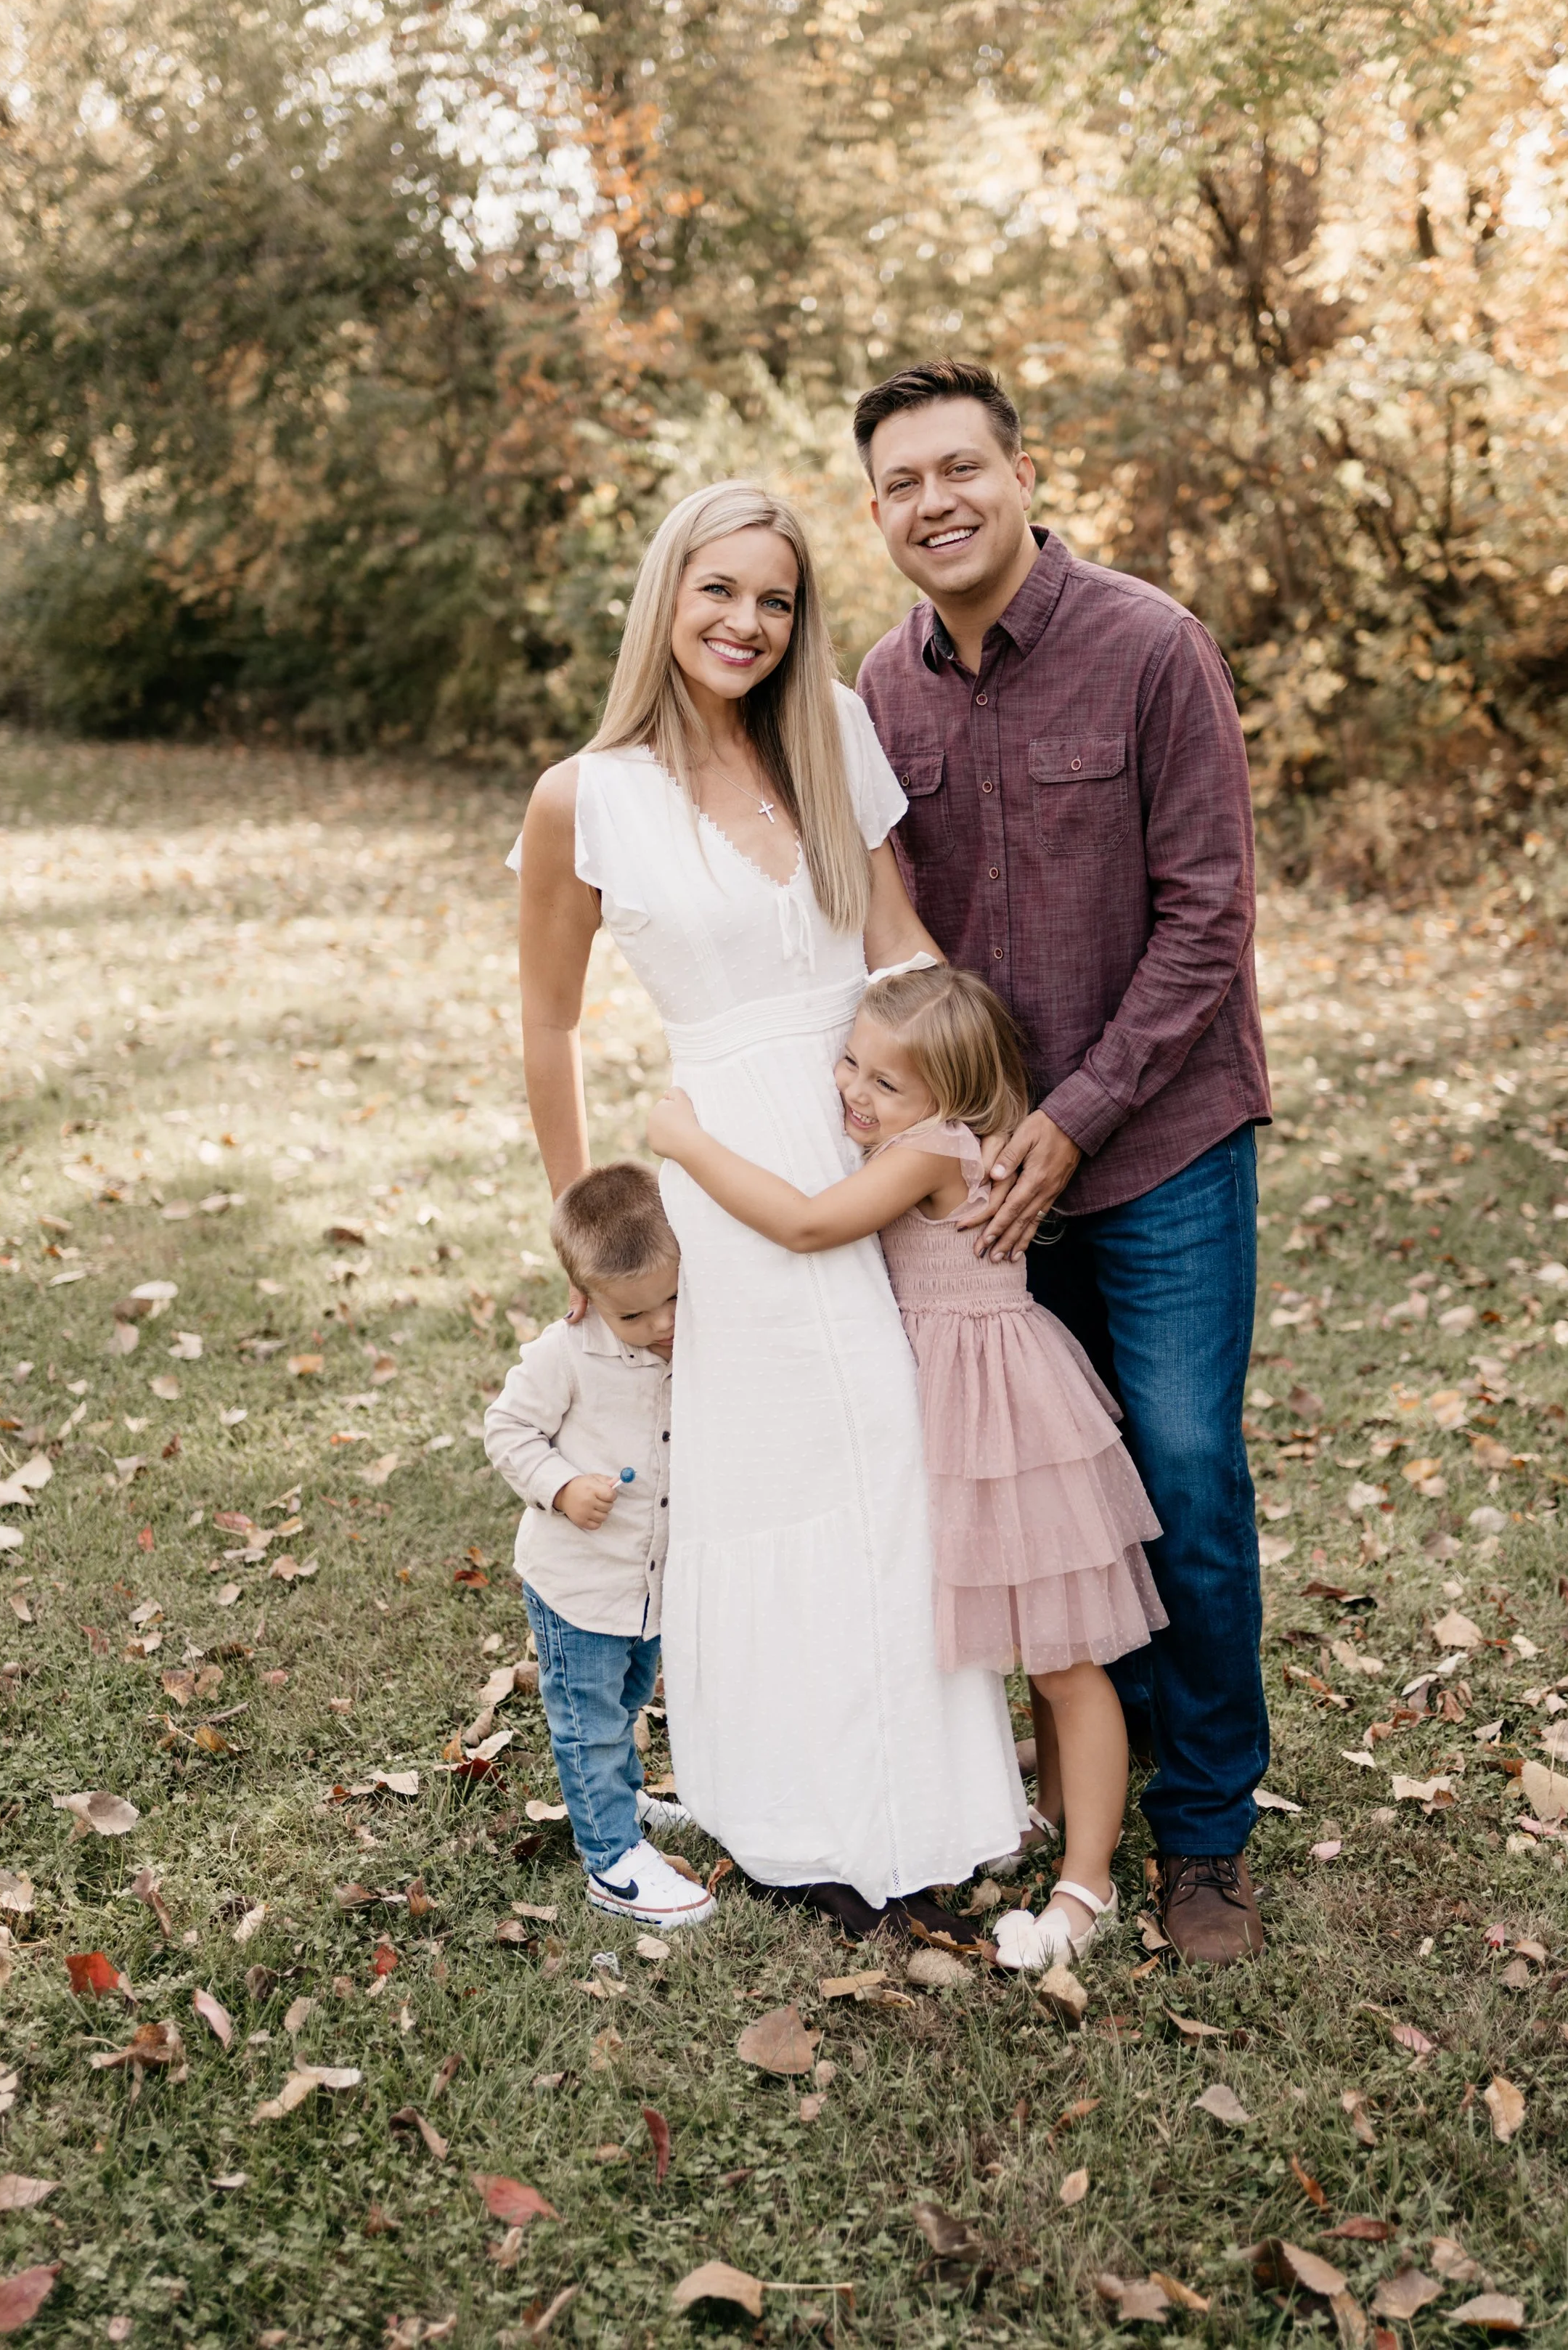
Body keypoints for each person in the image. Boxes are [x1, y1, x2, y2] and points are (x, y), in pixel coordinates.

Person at [510, 478, 1025, 1933]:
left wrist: (959, 1119)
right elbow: (547, 1026)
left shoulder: (828, 742)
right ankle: (794, 1819)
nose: (746, 621)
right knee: (764, 1485)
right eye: (717, 589)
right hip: (723, 1170)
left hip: (862, 1132)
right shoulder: (582, 797)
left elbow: (901, 948)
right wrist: (582, 1225)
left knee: (891, 1464)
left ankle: (917, 1809)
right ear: (665, 596)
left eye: (776, 598)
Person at [854, 359, 1274, 1965]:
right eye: (901, 483)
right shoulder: (879, 698)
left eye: (960, 467)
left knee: (1175, 1477)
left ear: (1023, 473)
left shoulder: (1150, 648)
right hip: (978, 1196)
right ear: (877, 511)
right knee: (1046, 1501)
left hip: (1155, 1142)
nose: (934, 503)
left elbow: (1205, 925)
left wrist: (1075, 1114)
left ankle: (1207, 1833)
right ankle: (1073, 1776)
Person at [648, 961, 1166, 1971]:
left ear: (952, 1101)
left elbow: (807, 1224)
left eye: (886, 1082)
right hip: (954, 1406)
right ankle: (1050, 1805)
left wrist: (689, 1142)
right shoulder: (918, 1132)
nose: (852, 1090)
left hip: (1000, 1415)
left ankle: (1087, 1880)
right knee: (1024, 1640)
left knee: (1062, 1654)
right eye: (849, 1062)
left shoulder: (932, 1151)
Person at [483, 1162, 713, 1933]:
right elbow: (508, 1429)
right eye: (636, 1315)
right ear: (584, 1297)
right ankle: (611, 1858)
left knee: (626, 1698)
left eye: (673, 1299)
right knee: (588, 1717)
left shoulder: (690, 1331)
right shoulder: (567, 1351)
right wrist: (558, 1483)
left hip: (644, 1584)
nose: (662, 1325)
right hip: (577, 1583)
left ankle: (627, 1794)